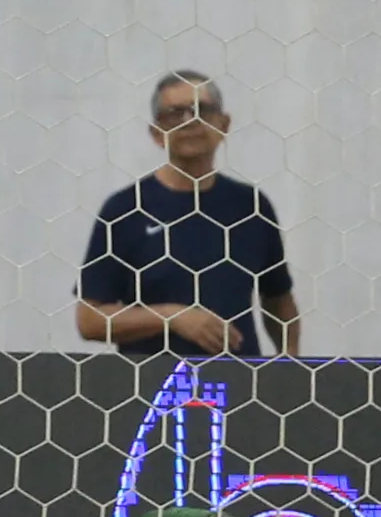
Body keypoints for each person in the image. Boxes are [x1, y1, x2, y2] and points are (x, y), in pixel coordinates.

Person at [76, 71, 300, 358]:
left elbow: (278, 299)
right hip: (150, 389)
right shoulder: (125, 210)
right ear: (156, 134)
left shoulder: (250, 206)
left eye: (201, 111)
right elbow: (89, 320)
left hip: (238, 386)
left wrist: (291, 364)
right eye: (174, 113)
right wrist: (172, 317)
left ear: (224, 124)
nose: (189, 121)